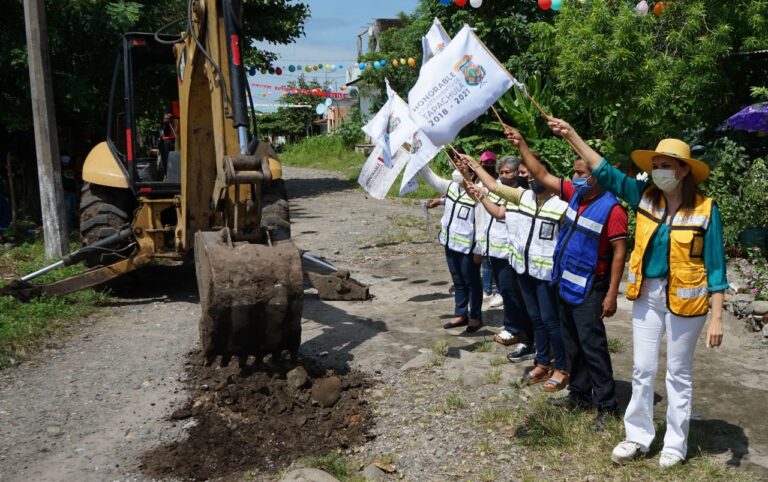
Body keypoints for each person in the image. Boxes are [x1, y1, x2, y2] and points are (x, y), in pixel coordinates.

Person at [547, 117, 726, 468]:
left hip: (687, 303)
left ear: (684, 170)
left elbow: (717, 267)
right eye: (655, 166)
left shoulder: (706, 209)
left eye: (666, 166)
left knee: (678, 373)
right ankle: (637, 436)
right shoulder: (645, 198)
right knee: (642, 368)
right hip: (647, 296)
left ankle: (675, 443)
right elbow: (606, 171)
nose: (659, 171)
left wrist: (717, 316)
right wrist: (572, 136)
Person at [505, 128, 628, 429]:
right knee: (572, 345)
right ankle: (579, 394)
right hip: (564, 283)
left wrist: (611, 294)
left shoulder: (613, 209)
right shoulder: (575, 195)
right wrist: (521, 144)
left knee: (593, 348)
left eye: (581, 172)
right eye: (573, 173)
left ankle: (607, 406)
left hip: (591, 288)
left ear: (597, 176)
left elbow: (619, 254)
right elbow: (541, 173)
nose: (574, 177)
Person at [464, 153, 569, 388]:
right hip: (524, 269)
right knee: (535, 318)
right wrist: (473, 167)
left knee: (551, 320)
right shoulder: (524, 197)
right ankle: (542, 362)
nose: (530, 178)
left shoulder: (562, 206)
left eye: (534, 174)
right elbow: (493, 187)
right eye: (526, 175)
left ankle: (561, 366)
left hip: (546, 275)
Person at [473, 155, 534, 351]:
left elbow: (501, 214)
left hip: (509, 252)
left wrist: (475, 165)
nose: (504, 175)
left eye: (508, 172)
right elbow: (492, 209)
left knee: (510, 292)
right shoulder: (498, 188)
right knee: (505, 290)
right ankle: (512, 326)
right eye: (501, 172)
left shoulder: (521, 194)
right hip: (494, 249)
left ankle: (514, 328)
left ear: (518, 173)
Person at [419, 150, 484, 333]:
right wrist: (418, 158)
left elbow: (481, 222)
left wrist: (479, 248)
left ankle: (475, 317)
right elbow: (431, 177)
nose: (456, 169)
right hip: (450, 242)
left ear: (472, 173)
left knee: (471, 281)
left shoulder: (478, 193)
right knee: (457, 280)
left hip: (468, 247)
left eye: (461, 167)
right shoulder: (451, 187)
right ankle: (460, 313)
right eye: (455, 166)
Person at [477, 150, 502, 307]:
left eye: (492, 163)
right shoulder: (478, 183)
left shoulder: (500, 185)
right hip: (482, 227)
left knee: (497, 263)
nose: (489, 165)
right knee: (486, 262)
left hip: (497, 230)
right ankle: (486, 289)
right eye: (486, 163)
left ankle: (499, 291)